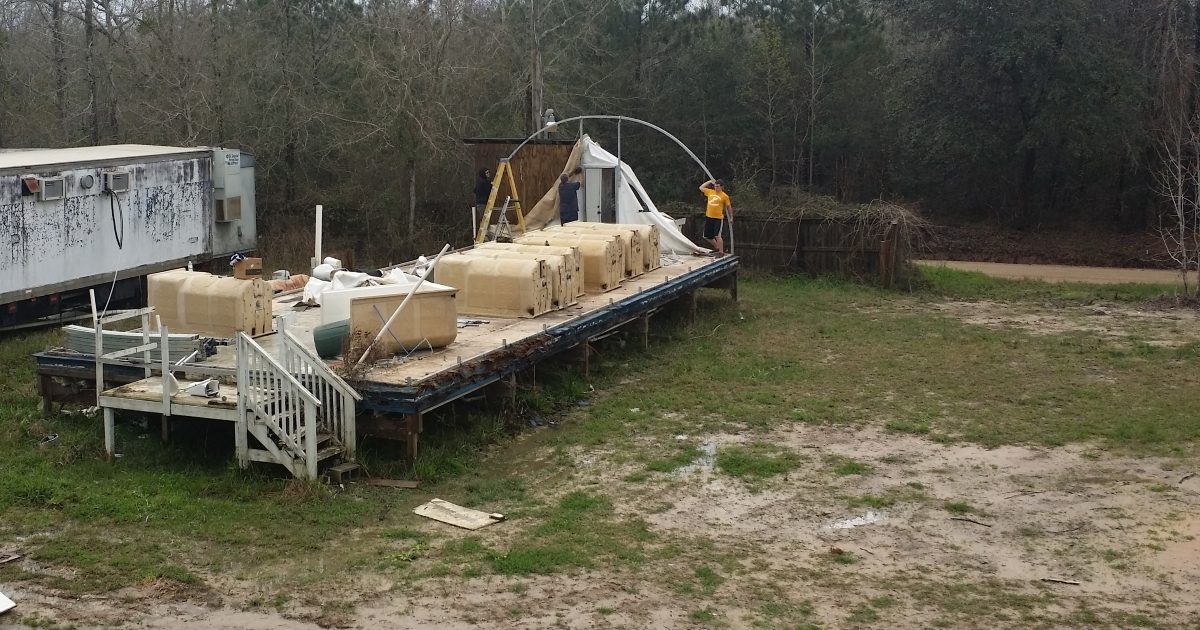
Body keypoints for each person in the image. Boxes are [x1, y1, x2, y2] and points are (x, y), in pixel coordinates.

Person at [699, 178, 732, 256]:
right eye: (715, 186)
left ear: (722, 187)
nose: (716, 188)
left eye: (717, 186)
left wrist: (731, 217)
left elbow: (729, 207)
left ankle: (721, 251)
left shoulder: (724, 196)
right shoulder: (710, 192)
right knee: (706, 236)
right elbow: (701, 188)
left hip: (718, 218)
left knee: (717, 235)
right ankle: (717, 247)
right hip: (709, 217)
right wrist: (710, 181)